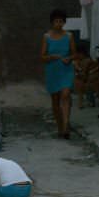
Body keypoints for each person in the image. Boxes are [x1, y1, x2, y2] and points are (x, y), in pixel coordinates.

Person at [40, 9, 76, 138]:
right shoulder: (46, 37)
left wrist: (70, 58)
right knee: (55, 100)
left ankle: (66, 125)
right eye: (56, 21)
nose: (59, 24)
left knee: (65, 94)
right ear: (52, 22)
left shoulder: (69, 36)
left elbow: (74, 53)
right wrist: (52, 57)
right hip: (52, 70)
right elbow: (42, 57)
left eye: (61, 21)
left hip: (66, 69)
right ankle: (60, 126)